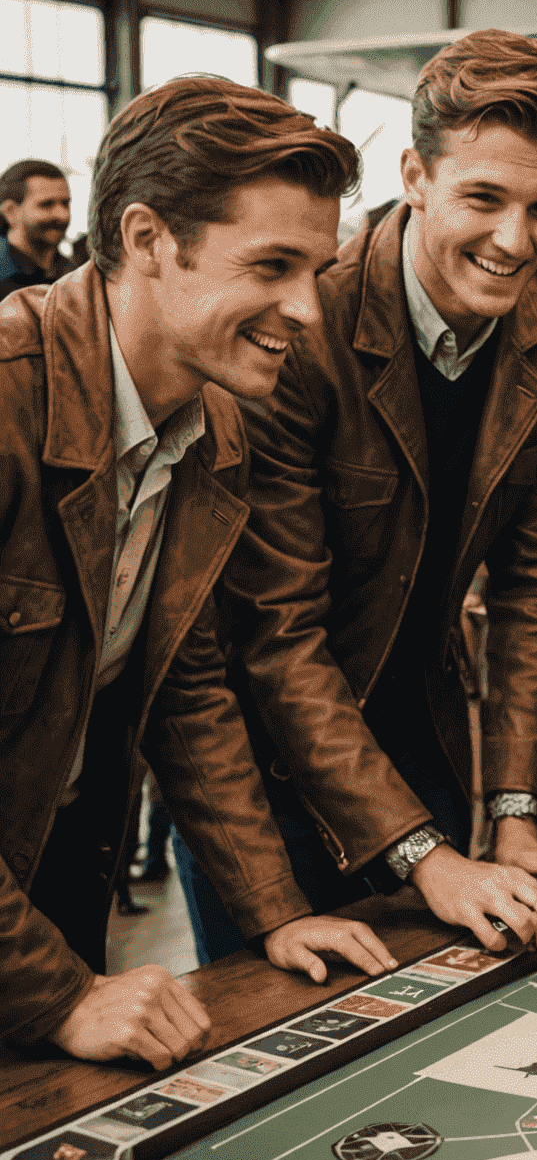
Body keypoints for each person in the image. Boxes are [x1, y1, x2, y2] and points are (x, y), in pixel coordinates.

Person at [176, 29, 537, 965]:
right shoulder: (305, 320)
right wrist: (426, 858)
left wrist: (515, 814)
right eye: (483, 198)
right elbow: (277, 632)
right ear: (414, 175)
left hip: (420, 732)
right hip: (261, 767)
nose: (516, 241)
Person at [0, 78, 395, 1068]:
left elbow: (184, 686)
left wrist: (272, 912)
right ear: (144, 240)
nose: (307, 310)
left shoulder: (215, 424)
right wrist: (59, 995)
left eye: (319, 269)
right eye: (271, 265)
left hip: (54, 881)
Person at [0, 158, 73, 296]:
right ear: (10, 211)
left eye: (65, 203)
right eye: (47, 204)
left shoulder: (75, 274)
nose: (63, 215)